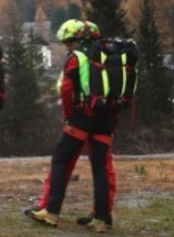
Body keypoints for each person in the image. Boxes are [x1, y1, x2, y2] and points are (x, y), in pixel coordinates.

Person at [24, 20, 117, 233]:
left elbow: (66, 88)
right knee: (101, 169)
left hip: (82, 117)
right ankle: (102, 219)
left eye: (70, 41)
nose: (67, 46)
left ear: (80, 39)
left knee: (61, 160)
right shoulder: (111, 56)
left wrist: (69, 115)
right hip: (106, 119)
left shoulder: (77, 58)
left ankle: (51, 212)